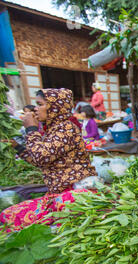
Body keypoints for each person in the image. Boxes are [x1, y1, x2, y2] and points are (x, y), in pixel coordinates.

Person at [1, 88, 99, 232]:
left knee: (48, 224)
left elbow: (42, 156)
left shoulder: (67, 128)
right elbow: (39, 160)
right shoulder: (53, 130)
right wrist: (18, 148)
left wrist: (31, 129)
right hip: (57, 193)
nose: (35, 109)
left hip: (74, 192)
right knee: (7, 216)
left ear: (54, 107)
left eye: (40, 104)